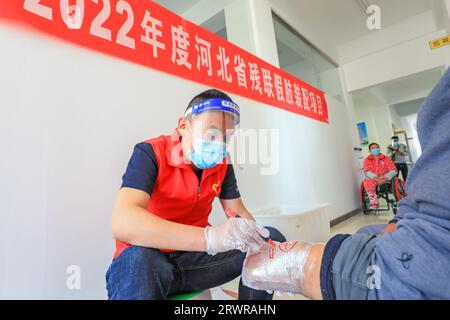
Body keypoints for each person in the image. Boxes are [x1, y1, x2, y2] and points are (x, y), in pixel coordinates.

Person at [242, 68, 450, 300]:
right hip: (405, 203)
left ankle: (334, 268)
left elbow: (395, 172)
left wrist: (302, 265)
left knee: (349, 251)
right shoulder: (371, 160)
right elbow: (372, 174)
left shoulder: (387, 159)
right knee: (364, 226)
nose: (375, 151)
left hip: (424, 228)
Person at [106, 89, 286, 300]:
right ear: (184, 125)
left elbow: (238, 212)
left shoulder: (222, 163)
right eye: (211, 134)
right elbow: (123, 222)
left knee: (269, 240)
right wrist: (209, 238)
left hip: (193, 263)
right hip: (147, 261)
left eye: (225, 138)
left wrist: (264, 251)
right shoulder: (150, 153)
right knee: (139, 259)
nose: (218, 144)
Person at [362, 143, 398, 209]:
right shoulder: (366, 160)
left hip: (386, 179)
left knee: (392, 177)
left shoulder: (386, 159)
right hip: (373, 179)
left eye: (376, 147)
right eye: (373, 148)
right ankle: (373, 200)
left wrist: (384, 178)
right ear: (369, 151)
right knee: (366, 182)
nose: (375, 149)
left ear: (379, 149)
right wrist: (376, 178)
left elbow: (393, 170)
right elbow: (367, 171)